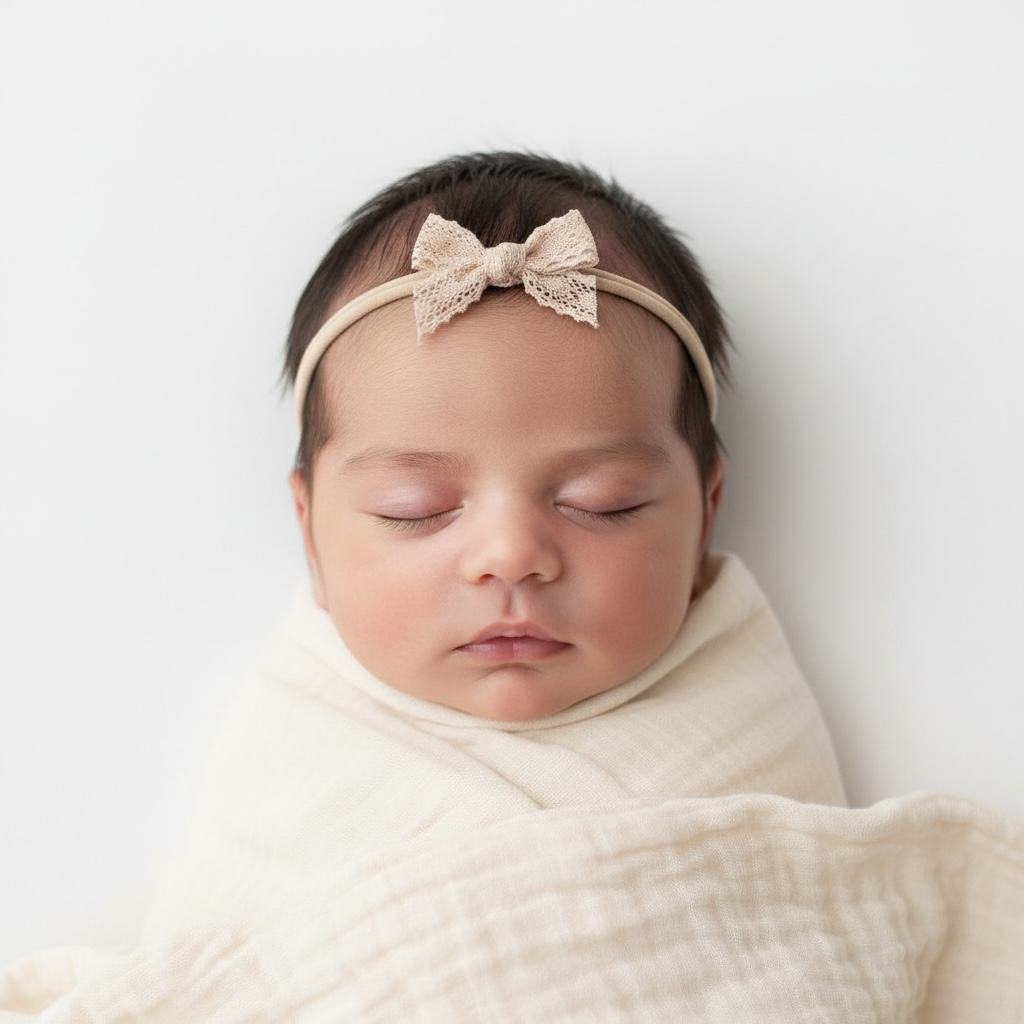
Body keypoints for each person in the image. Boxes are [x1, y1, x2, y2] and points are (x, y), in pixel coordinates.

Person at [2, 154, 1020, 1023]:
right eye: (413, 508)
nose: (510, 556)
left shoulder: (743, 724)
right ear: (308, 529)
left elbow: (786, 941)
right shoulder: (286, 759)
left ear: (706, 508)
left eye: (604, 501)